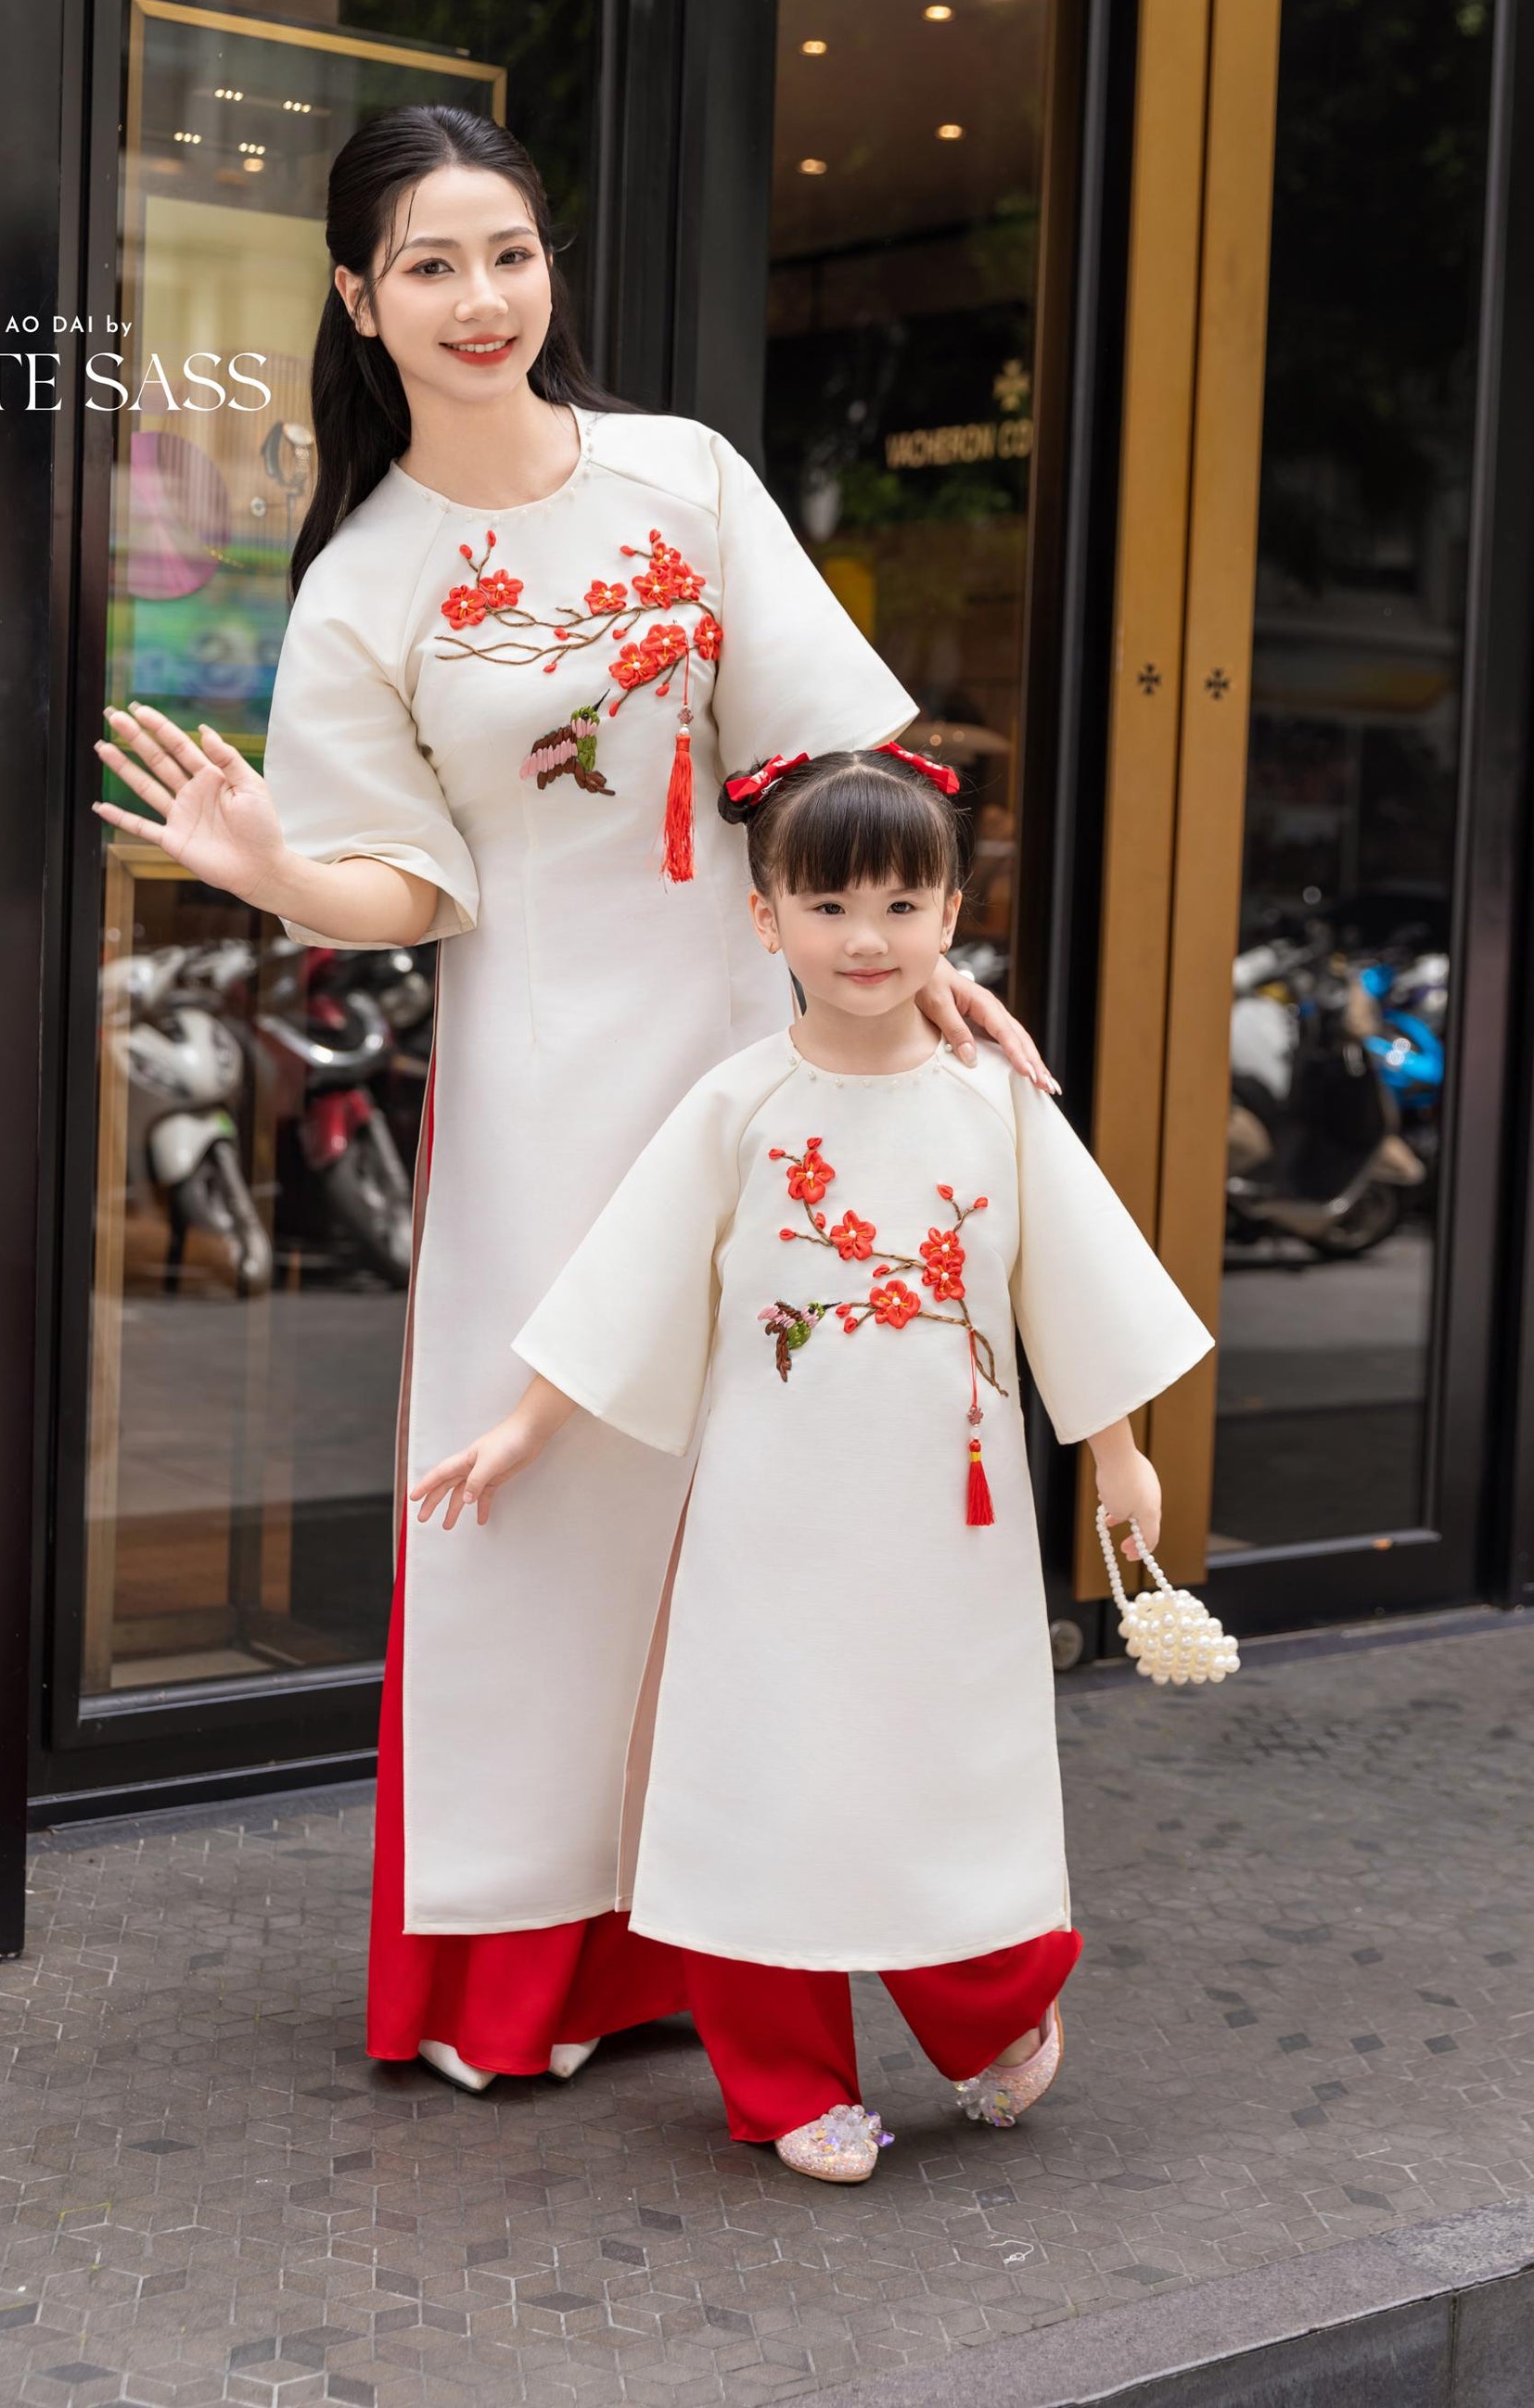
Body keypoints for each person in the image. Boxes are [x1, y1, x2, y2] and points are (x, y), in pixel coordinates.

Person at [92, 106, 1057, 2093]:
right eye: (430, 265)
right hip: (543, 1092)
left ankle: (864, 1928)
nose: (479, 299)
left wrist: (915, 977)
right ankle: (541, 1961)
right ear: (357, 300)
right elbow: (402, 887)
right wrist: (275, 867)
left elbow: (826, 765)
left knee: (798, 1495)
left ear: (552, 269)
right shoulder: (364, 581)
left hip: (761, 1046)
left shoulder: (681, 479)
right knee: (552, 1511)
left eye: (510, 253)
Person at [410, 747, 1212, 2175]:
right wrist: (525, 1429)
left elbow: (1072, 1291)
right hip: (765, 1528)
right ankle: (784, 2087)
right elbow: (630, 1288)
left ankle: (993, 2017)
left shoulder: (996, 1104)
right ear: (762, 916)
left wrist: (1114, 1453)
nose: (866, 940)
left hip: (946, 1531)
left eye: (901, 904)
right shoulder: (736, 1107)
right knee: (760, 1778)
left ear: (955, 913)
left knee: (946, 1771)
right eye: (828, 904)